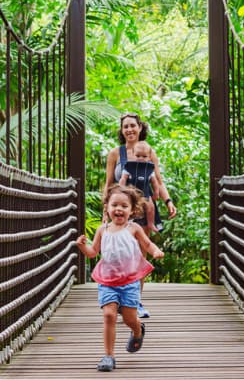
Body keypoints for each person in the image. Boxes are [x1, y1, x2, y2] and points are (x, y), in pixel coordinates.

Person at [76, 184, 165, 372]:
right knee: (108, 315)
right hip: (108, 281)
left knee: (129, 319)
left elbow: (147, 244)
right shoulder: (102, 230)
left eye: (124, 206)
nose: (119, 209)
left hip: (130, 281)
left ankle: (137, 330)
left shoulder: (133, 229)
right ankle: (109, 356)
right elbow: (93, 253)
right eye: (114, 205)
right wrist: (83, 247)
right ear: (107, 207)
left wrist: (156, 251)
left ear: (132, 211)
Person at [104, 112, 178, 318]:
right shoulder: (115, 154)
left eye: (132, 126)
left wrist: (168, 201)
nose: (129, 130)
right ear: (122, 130)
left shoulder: (148, 151)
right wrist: (105, 210)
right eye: (125, 126)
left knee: (139, 254)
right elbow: (109, 184)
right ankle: (119, 298)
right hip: (121, 212)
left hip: (144, 209)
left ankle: (135, 302)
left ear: (140, 128)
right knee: (119, 255)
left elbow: (158, 181)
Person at [118, 141, 162, 234]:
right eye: (138, 156)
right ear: (133, 154)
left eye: (144, 156)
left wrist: (156, 192)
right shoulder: (129, 167)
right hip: (132, 194)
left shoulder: (149, 168)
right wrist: (121, 190)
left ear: (149, 156)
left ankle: (151, 223)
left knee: (151, 207)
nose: (141, 158)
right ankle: (127, 222)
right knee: (130, 208)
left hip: (145, 193)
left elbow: (154, 181)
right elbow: (123, 179)